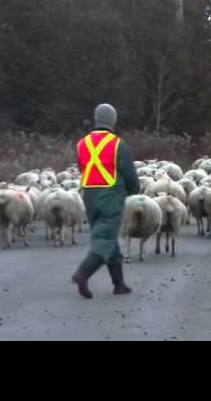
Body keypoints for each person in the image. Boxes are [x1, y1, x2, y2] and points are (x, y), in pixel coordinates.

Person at [71, 103, 140, 299]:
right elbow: (129, 174)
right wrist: (133, 190)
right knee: (105, 238)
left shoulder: (82, 143)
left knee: (106, 236)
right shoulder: (118, 144)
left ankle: (119, 284)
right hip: (111, 195)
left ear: (96, 119)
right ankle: (83, 273)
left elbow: (82, 167)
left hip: (89, 196)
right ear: (113, 121)